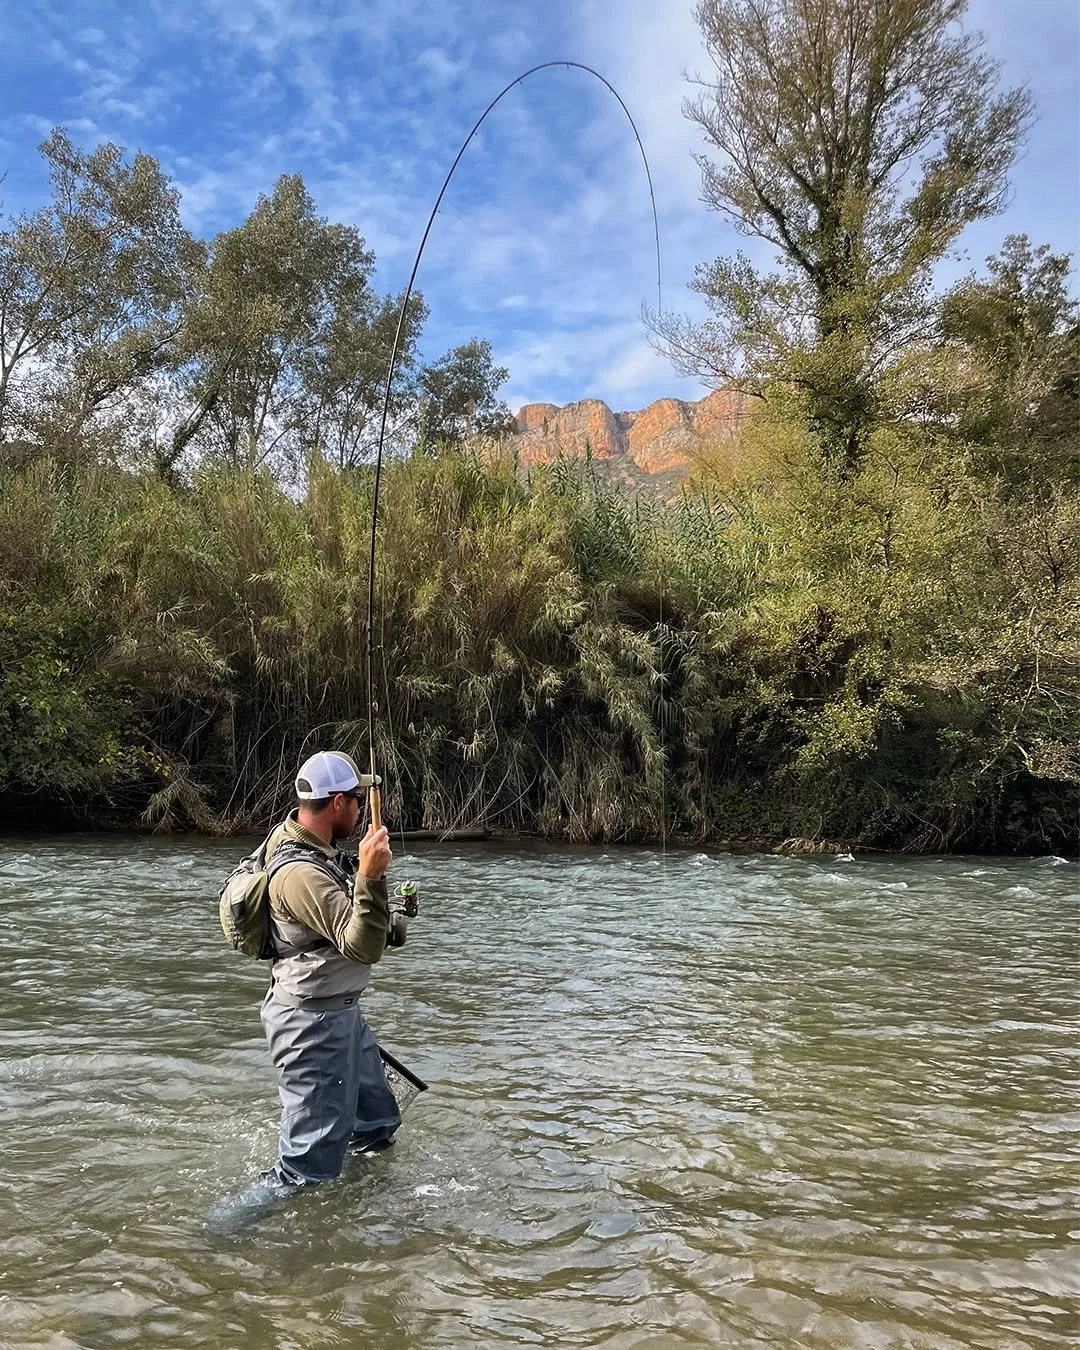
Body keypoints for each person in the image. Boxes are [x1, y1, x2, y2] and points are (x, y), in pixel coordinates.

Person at [259, 748, 401, 1189]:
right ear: (338, 803)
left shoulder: (309, 842)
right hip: (312, 1025)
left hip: (340, 1012)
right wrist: (370, 876)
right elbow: (361, 948)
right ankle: (228, 1225)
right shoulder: (301, 874)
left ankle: (363, 1203)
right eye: (357, 799)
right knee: (305, 1170)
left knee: (376, 1123)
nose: (361, 809)